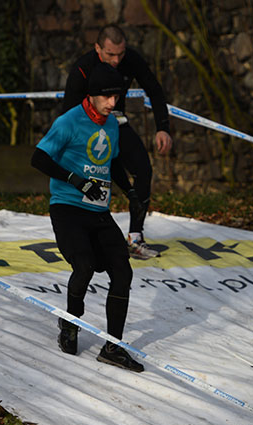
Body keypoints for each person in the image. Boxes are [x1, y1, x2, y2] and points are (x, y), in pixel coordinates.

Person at [31, 62, 144, 373]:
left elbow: (112, 161)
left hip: (98, 211)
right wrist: (75, 180)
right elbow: (38, 158)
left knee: (123, 272)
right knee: (83, 266)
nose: (112, 103)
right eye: (107, 97)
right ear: (92, 94)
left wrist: (130, 191)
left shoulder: (112, 124)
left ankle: (112, 347)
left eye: (117, 97)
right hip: (67, 208)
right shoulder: (69, 122)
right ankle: (70, 323)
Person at [62, 24, 173, 260]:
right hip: (87, 128)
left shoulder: (130, 60)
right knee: (96, 180)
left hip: (116, 123)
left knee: (143, 169)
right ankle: (83, 237)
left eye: (120, 54)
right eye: (110, 54)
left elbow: (154, 90)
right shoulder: (83, 68)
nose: (116, 60)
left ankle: (135, 237)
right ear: (97, 48)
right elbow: (68, 112)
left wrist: (163, 128)